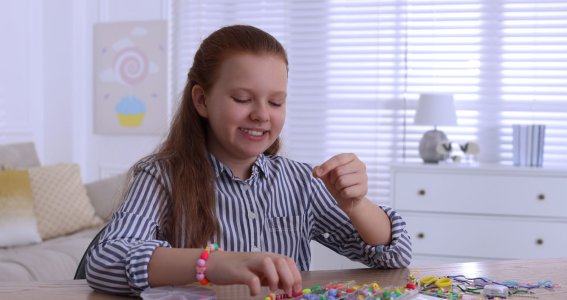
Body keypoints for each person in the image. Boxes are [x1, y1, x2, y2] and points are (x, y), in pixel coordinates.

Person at [85, 24, 412, 297]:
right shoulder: (161, 176)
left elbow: (395, 257)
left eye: (276, 102)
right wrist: (212, 264)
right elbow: (105, 261)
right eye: (242, 99)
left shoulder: (300, 181)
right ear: (201, 100)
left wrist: (356, 204)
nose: (260, 115)